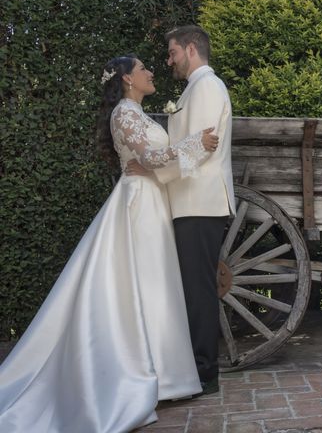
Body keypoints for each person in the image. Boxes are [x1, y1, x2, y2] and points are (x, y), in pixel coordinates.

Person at [0, 54, 219, 432]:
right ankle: (145, 373)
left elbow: (151, 161)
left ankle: (165, 374)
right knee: (140, 284)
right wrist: (195, 144)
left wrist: (175, 154)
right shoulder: (124, 113)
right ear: (128, 80)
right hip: (138, 204)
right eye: (143, 69)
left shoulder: (137, 112)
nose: (151, 72)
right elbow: (148, 157)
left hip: (153, 201)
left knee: (156, 285)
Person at [129, 25, 235, 395]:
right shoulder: (195, 88)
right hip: (189, 201)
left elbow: (203, 146)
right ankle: (197, 367)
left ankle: (206, 373)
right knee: (193, 288)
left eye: (173, 52)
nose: (169, 60)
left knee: (199, 290)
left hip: (200, 202)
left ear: (191, 50)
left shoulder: (206, 86)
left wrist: (155, 172)